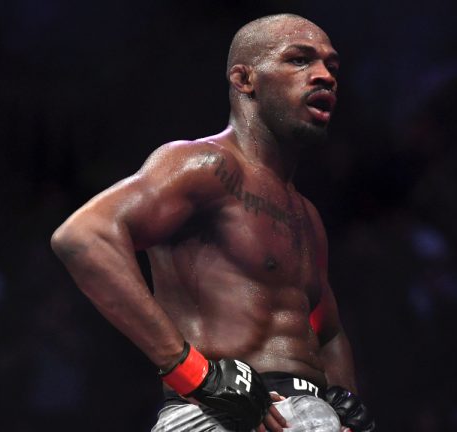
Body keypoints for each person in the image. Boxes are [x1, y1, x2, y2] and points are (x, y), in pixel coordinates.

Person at [51, 13, 375, 432]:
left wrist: (346, 400)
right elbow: (82, 237)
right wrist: (194, 374)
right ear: (245, 80)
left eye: (332, 66)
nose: (324, 75)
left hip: (307, 415)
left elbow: (325, 329)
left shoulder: (306, 215)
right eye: (300, 60)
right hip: (219, 414)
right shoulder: (205, 165)